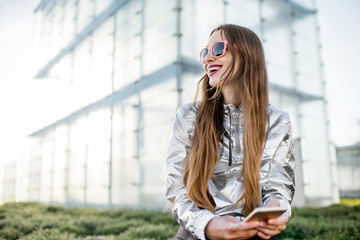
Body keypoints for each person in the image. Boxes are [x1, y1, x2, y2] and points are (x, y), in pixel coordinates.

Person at [165, 24, 295, 240]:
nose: (207, 59)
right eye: (205, 52)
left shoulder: (278, 121)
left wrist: (276, 210)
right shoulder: (188, 117)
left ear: (245, 53)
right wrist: (208, 224)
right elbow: (177, 188)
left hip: (253, 233)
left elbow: (278, 186)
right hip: (197, 233)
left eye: (217, 49)